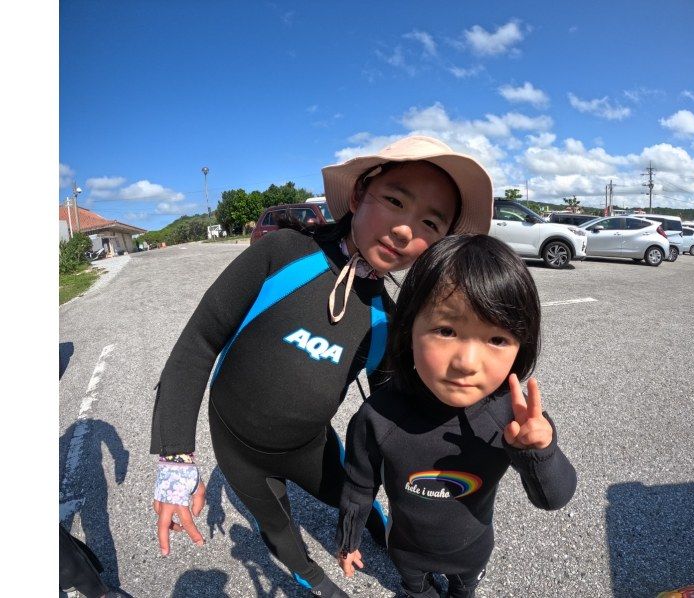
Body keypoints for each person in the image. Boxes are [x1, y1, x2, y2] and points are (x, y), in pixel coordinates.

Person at [149, 135, 494, 597]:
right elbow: (199, 342)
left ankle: (393, 545)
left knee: (361, 502)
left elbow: (397, 408)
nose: (404, 231)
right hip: (237, 445)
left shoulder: (385, 320)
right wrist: (175, 456)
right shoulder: (284, 255)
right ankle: (312, 579)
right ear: (357, 196)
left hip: (310, 447)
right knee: (278, 527)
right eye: (394, 200)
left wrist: (479, 421)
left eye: (430, 223)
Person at [336, 234, 577, 598]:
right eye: (446, 331)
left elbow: (553, 498)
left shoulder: (515, 419)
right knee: (417, 591)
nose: (466, 363)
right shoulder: (379, 416)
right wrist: (348, 538)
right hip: (405, 551)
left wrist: (538, 451)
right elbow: (359, 485)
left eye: (496, 339)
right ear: (408, 331)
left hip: (472, 551)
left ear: (520, 347)